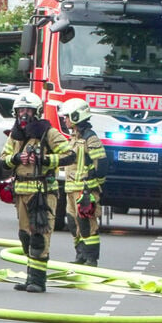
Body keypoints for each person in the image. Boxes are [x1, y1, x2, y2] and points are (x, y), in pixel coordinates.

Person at [0, 91, 74, 293]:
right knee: (25, 236)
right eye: (20, 110)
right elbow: (2, 159)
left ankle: (38, 281)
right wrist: (16, 159)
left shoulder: (47, 133)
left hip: (43, 193)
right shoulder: (15, 135)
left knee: (40, 236)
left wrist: (45, 160)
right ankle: (30, 276)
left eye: (28, 110)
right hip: (21, 192)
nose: (23, 114)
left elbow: (69, 155)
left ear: (37, 112)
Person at [58, 98, 108, 266]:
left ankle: (91, 258)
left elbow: (101, 164)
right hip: (71, 189)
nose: (64, 120)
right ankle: (80, 255)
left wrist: (93, 186)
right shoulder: (73, 137)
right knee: (73, 223)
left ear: (76, 116)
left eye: (67, 117)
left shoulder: (90, 138)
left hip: (85, 191)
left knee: (87, 224)